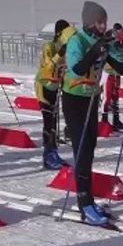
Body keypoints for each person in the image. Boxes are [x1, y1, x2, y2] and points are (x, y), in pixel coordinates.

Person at [61, 1, 123, 226]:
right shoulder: (76, 40)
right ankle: (84, 203)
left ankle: (88, 200)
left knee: (89, 147)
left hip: (91, 98)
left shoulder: (101, 43)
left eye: (104, 22)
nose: (102, 26)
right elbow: (77, 68)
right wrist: (96, 49)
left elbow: (122, 68)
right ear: (89, 22)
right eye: (99, 22)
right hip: (74, 99)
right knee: (82, 150)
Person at [36, 19, 73, 170]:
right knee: (48, 121)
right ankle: (47, 155)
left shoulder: (67, 47)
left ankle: (54, 152)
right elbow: (48, 65)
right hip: (44, 85)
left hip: (55, 86)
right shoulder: (49, 46)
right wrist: (60, 53)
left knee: (55, 122)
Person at [101, 23, 123, 132]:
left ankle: (116, 121)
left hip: (117, 73)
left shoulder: (121, 42)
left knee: (115, 97)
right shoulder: (109, 41)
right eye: (118, 32)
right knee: (107, 97)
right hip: (108, 72)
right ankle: (104, 121)